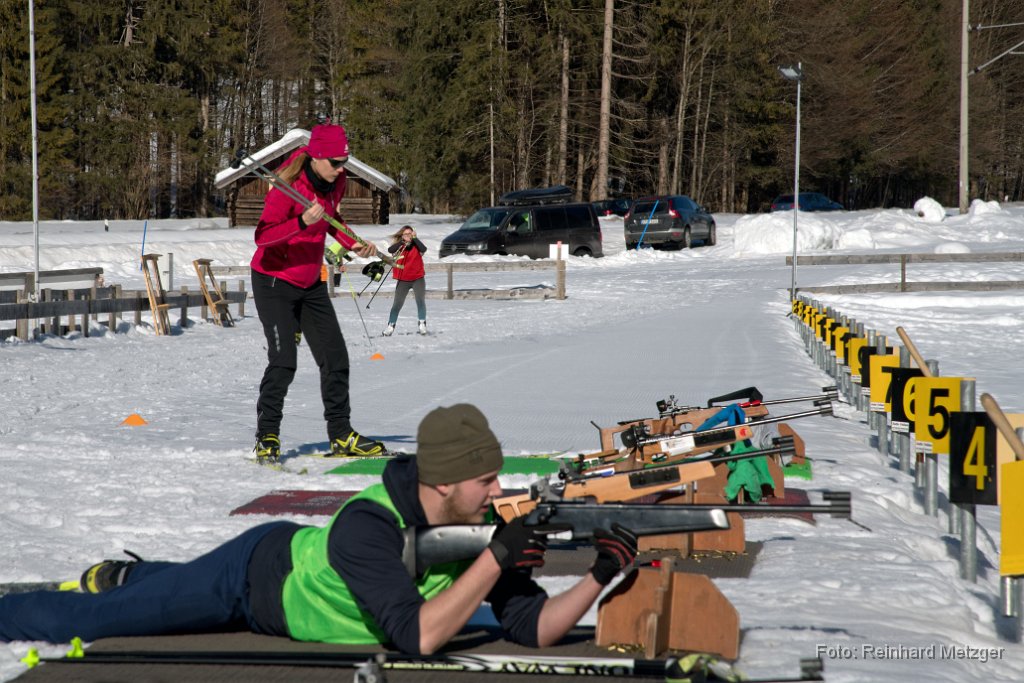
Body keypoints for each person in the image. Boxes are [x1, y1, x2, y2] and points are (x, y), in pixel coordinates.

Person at [0, 404, 638, 654]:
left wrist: (602, 575)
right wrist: (496, 560)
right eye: (486, 482)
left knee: (145, 592)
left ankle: (128, 575)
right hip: (253, 581)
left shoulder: (473, 525)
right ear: (444, 482)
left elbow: (536, 629)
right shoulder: (368, 525)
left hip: (285, 596)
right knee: (100, 622)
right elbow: (416, 638)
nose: (499, 493)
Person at [249, 121, 385, 461]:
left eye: (345, 163)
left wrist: (354, 244)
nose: (341, 169)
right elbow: (262, 237)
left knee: (335, 358)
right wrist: (300, 223)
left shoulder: (335, 183)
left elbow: (331, 223)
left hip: (311, 283)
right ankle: (267, 437)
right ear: (317, 156)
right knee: (284, 363)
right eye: (336, 163)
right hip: (274, 281)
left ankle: (340, 436)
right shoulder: (287, 187)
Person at [382, 225, 428, 337]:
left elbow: (424, 249)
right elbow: (390, 250)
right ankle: (390, 326)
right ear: (402, 236)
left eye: (410, 234)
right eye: (406, 234)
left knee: (420, 301)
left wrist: (415, 239)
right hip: (403, 280)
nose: (409, 236)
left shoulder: (417, 245)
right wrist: (402, 243)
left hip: (418, 278)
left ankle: (422, 323)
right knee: (397, 304)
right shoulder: (399, 246)